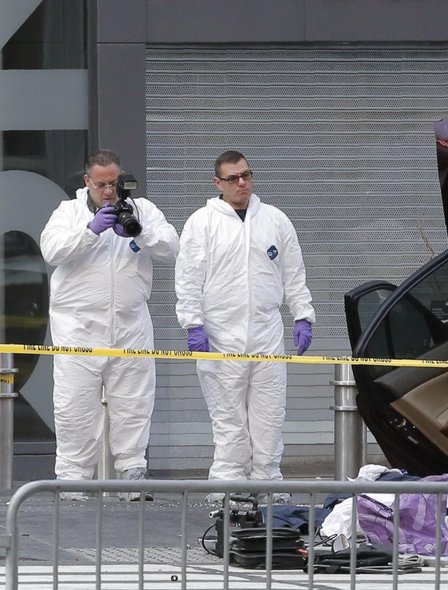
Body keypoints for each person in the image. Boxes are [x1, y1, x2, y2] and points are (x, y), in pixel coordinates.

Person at [174, 150, 315, 505]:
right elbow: (188, 279)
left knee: (269, 416)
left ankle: (267, 484)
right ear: (217, 182)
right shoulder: (202, 223)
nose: (242, 183)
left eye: (247, 176)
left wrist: (302, 315)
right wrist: (193, 324)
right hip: (221, 337)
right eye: (234, 178)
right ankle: (228, 486)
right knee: (229, 418)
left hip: (267, 334)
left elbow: (293, 274)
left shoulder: (275, 221)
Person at [40, 149, 179, 501]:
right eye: (101, 184)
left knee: (133, 403)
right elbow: (51, 251)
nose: (109, 190)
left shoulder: (141, 210)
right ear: (87, 182)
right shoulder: (67, 213)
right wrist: (90, 231)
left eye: (114, 182)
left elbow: (172, 247)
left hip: (130, 325)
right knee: (75, 407)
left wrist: (139, 231)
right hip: (78, 329)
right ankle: (73, 481)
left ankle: (132, 473)